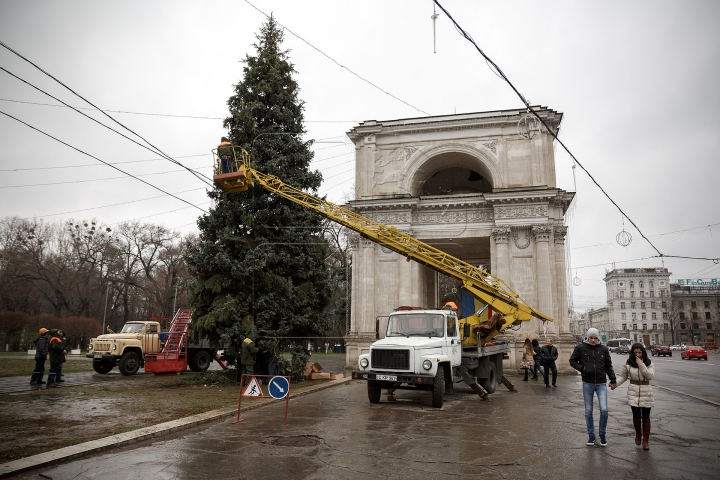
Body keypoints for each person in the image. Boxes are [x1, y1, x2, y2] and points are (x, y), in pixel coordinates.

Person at [570, 327, 617, 447]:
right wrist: (583, 369)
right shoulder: (580, 348)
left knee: (604, 409)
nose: (593, 340)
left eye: (595, 338)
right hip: (587, 383)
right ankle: (591, 436)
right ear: (587, 337)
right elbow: (572, 361)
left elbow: (608, 366)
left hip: (601, 383)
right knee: (588, 410)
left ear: (598, 338)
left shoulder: (603, 349)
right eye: (591, 338)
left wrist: (613, 380)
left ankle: (602, 435)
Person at [613, 343, 655, 450]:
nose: (637, 355)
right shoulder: (628, 363)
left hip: (646, 392)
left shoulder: (649, 363)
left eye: (640, 352)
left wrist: (641, 364)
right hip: (633, 391)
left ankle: (645, 441)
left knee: (646, 417)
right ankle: (638, 434)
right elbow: (623, 376)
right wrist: (615, 384)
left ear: (643, 352)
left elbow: (650, 376)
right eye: (635, 352)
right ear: (632, 352)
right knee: (636, 416)